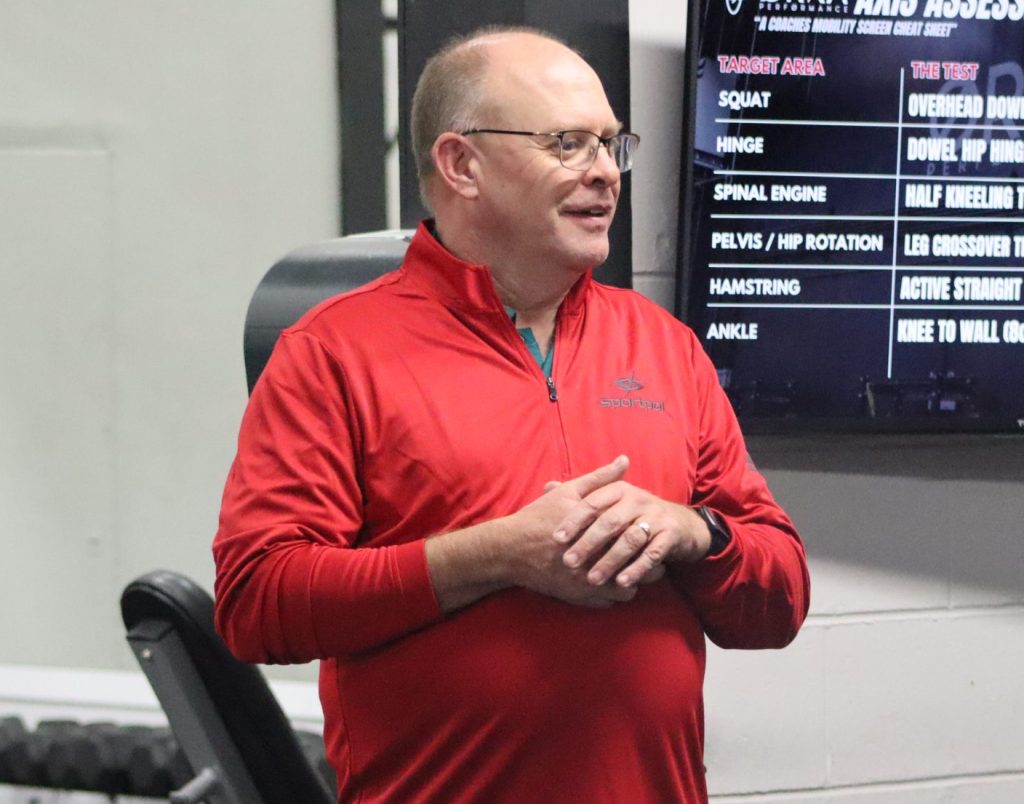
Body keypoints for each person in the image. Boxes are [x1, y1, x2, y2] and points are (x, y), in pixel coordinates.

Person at [213, 26, 810, 803]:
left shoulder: (664, 346)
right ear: (462, 164)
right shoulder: (333, 352)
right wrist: (494, 556)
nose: (605, 171)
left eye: (611, 144)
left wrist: (693, 532)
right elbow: (257, 601)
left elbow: (780, 597)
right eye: (567, 143)